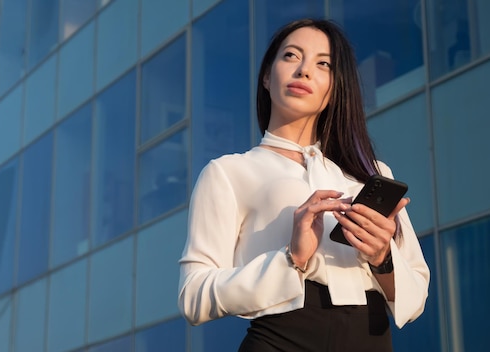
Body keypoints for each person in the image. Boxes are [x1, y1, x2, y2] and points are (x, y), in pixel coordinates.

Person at [177, 18, 429, 352]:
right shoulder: (228, 172)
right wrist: (291, 258)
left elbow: (417, 293)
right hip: (281, 339)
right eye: (291, 56)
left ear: (334, 87)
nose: (304, 70)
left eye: (322, 63)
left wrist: (382, 256)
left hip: (370, 338)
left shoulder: (371, 172)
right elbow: (193, 296)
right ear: (267, 76)